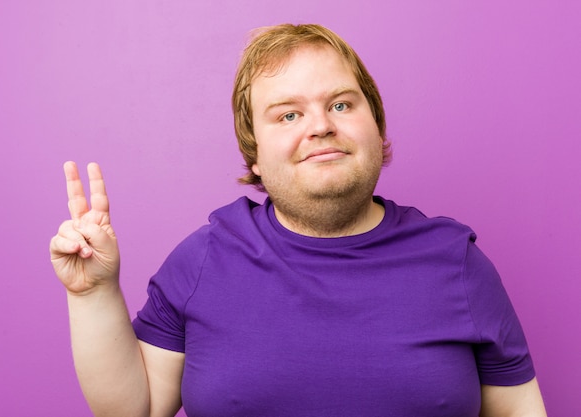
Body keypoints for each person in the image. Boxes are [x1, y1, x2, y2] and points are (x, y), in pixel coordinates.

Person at [50, 23, 547, 417]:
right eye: (288, 115)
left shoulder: (457, 261)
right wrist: (92, 294)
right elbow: (132, 410)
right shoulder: (203, 260)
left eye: (341, 104)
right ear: (255, 156)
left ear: (376, 129)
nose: (321, 125)